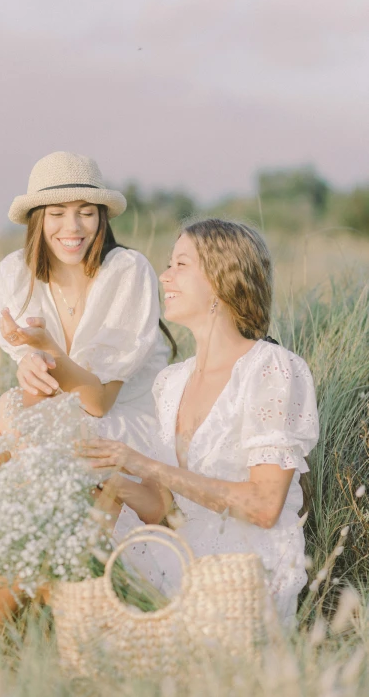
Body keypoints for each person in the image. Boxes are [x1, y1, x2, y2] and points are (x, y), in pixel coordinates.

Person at [0, 151, 173, 646]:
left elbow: (99, 402)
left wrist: (43, 352)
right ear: (38, 220)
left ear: (102, 216)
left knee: (5, 420)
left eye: (86, 211)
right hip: (56, 417)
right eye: (57, 212)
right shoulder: (17, 271)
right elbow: (38, 385)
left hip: (123, 419)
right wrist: (29, 365)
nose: (72, 226)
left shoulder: (127, 271)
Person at [81, 218, 319, 625]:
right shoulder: (171, 382)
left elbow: (264, 507)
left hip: (244, 572)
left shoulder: (271, 369)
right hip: (179, 550)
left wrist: (145, 464)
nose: (164, 275)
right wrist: (108, 479)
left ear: (221, 278)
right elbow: (164, 511)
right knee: (69, 541)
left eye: (181, 264)